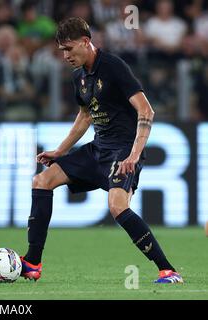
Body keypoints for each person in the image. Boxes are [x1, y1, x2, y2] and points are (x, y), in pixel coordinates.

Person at [20, 17, 183, 284]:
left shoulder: (113, 67)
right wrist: (62, 150)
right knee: (42, 181)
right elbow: (85, 116)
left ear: (85, 42)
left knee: (118, 206)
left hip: (122, 152)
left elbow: (146, 110)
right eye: (62, 50)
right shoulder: (79, 78)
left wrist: (133, 154)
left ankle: (168, 270)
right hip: (97, 149)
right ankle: (32, 263)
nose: (65, 55)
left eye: (69, 49)